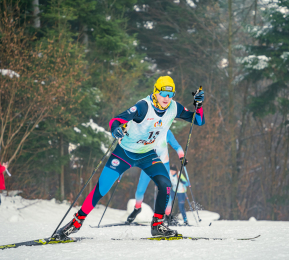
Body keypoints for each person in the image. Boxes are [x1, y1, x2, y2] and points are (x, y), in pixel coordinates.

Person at [54, 75, 205, 239]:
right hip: (125, 153)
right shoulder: (143, 106)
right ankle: (76, 222)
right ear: (156, 92)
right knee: (101, 189)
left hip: (147, 155)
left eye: (170, 95)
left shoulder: (174, 108)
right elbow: (116, 120)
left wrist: (199, 105)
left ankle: (157, 225)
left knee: (165, 184)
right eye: (163, 93)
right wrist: (115, 129)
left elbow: (198, 121)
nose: (167, 98)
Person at [126, 129, 186, 224]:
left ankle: (168, 215)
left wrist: (181, 156)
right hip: (148, 164)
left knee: (166, 191)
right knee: (140, 190)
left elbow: (177, 146)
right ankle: (137, 208)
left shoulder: (166, 131)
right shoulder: (145, 130)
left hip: (163, 165)